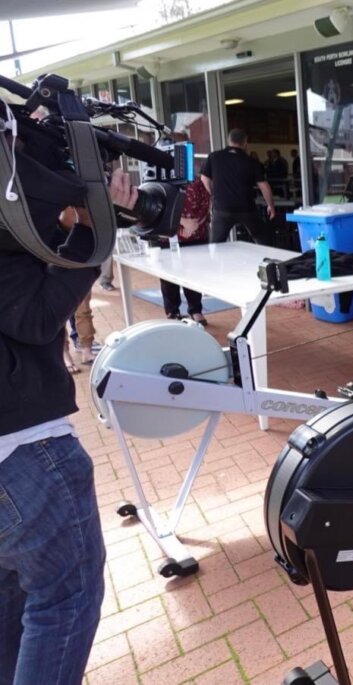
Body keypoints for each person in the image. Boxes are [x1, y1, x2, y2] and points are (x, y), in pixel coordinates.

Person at [0, 167, 138, 684]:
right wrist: (94, 227)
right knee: (64, 599)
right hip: (20, 450)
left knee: (13, 596)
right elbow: (32, 312)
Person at [200, 128, 276, 244]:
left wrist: (213, 194)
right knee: (262, 239)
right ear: (245, 142)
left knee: (216, 244)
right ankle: (269, 260)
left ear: (229, 140)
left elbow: (204, 179)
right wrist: (270, 205)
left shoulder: (214, 157)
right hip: (246, 208)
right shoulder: (251, 161)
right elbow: (264, 186)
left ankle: (216, 261)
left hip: (222, 208)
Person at [159, 178, 210, 324]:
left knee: (193, 275)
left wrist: (194, 225)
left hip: (196, 234)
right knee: (169, 275)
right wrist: (183, 222)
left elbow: (206, 204)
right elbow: (159, 207)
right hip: (170, 234)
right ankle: (172, 311)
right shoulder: (162, 181)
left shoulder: (196, 182)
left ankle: (195, 310)